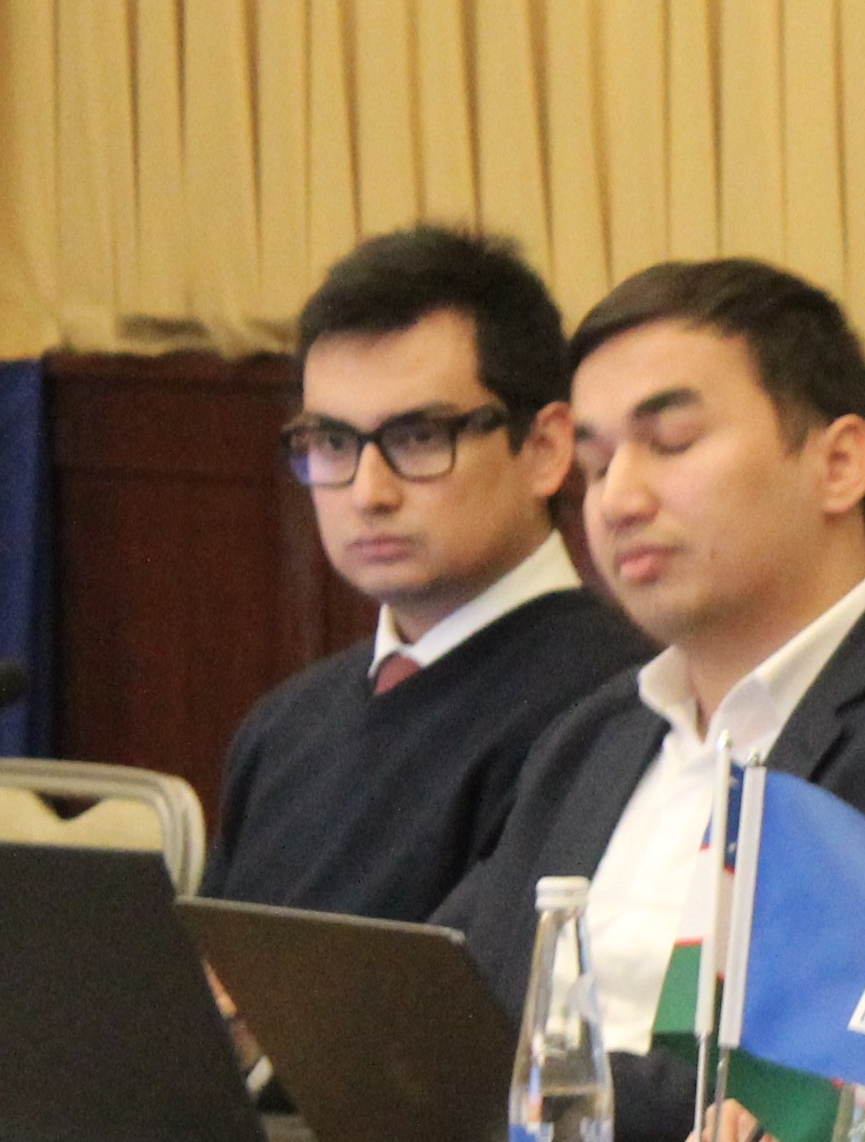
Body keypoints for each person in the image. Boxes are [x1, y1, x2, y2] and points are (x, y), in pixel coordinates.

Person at [439, 259, 865, 1142]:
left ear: (838, 465)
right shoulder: (591, 739)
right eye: (595, 468)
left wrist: (522, 1093)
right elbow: (462, 1006)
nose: (618, 501)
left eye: (670, 444)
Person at [206, 225, 648, 922]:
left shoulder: (618, 709)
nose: (368, 492)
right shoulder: (283, 729)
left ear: (544, 447)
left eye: (418, 438)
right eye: (331, 443)